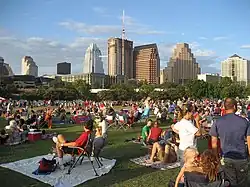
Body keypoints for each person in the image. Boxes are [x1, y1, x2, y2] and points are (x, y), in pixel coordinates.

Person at [210, 98, 250, 187]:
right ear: (235, 107)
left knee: (230, 182)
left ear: (224, 107)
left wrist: (216, 158)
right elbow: (249, 141)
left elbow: (214, 143)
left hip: (226, 157)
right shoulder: (244, 121)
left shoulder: (217, 121)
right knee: (243, 182)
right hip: (241, 157)